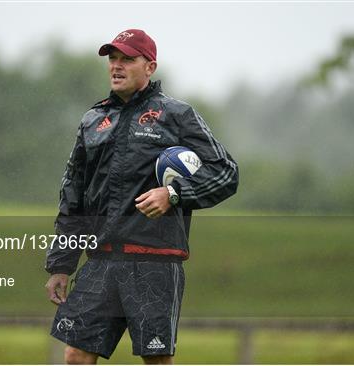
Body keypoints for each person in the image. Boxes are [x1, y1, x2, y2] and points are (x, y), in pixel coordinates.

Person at [45, 29, 238, 364]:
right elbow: (72, 195)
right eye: (113, 59)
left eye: (127, 59)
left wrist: (173, 194)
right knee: (75, 355)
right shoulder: (93, 120)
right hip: (100, 261)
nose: (116, 66)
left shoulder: (177, 115)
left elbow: (226, 173)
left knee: (156, 361)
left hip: (155, 264)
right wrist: (61, 263)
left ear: (150, 67)